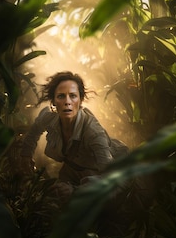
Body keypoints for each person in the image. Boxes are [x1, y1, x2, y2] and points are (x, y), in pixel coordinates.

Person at [17, 71, 127, 203]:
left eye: (73, 96)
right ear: (53, 101)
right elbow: (34, 131)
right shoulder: (48, 117)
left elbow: (110, 178)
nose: (67, 102)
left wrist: (75, 191)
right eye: (61, 96)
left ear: (80, 101)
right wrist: (26, 155)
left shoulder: (93, 131)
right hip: (73, 169)